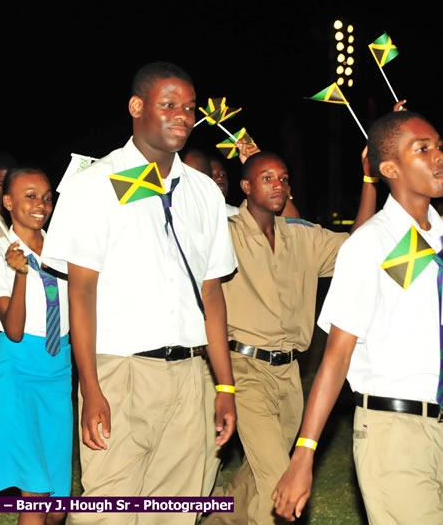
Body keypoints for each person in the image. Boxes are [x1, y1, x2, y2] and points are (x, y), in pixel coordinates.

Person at [42, 61, 238, 525]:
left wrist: (224, 385)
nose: (182, 116)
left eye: (189, 108)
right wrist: (90, 386)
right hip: (122, 371)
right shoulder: (95, 184)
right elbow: (81, 293)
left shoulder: (204, 192)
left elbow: (212, 293)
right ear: (136, 107)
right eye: (168, 104)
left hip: (193, 375)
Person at [273, 111, 443, 523]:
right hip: (396, 433)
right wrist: (304, 454)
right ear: (390, 168)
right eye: (423, 149)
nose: (438, 156)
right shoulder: (371, 246)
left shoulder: (435, 238)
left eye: (439, 146)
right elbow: (337, 356)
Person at [203, 148, 376, 525]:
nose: (278, 184)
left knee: (262, 470)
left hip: (290, 374)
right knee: (278, 482)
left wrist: (369, 179)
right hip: (243, 369)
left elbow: (359, 245)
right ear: (246, 186)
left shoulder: (303, 237)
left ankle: (217, 518)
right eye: (267, 178)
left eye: (283, 178)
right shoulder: (224, 235)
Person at [0, 168, 71, 525]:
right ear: (8, 202)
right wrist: (19, 273)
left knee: (58, 506)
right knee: (36, 493)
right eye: (30, 196)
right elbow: (12, 330)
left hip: (59, 369)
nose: (40, 204)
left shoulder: (66, 250)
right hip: (15, 371)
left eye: (46, 196)